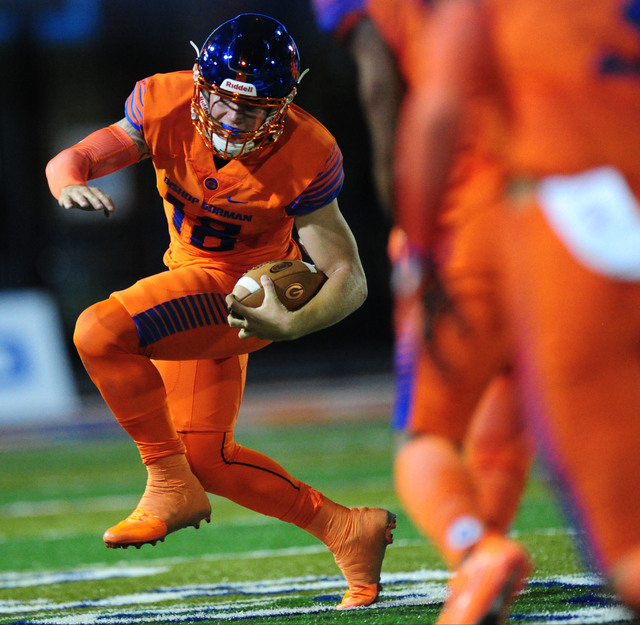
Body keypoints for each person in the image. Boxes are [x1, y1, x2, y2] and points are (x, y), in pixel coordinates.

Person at [45, 13, 396, 611]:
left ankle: (166, 481)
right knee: (210, 457)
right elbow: (76, 157)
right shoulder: (165, 100)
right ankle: (346, 529)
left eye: (256, 108)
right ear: (201, 84)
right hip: (188, 280)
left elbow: (350, 277)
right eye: (225, 102)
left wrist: (291, 324)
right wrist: (66, 183)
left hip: (241, 299)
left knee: (99, 331)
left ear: (284, 102)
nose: (235, 120)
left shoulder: (307, 151)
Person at [396, 0, 640, 621]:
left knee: (430, 435)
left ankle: (474, 549)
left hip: (537, 214)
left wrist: (415, 250)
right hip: (596, 194)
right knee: (505, 438)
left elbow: (434, 109)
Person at [311, 1, 533, 621]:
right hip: (584, 206)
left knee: (424, 434)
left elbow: (389, 89)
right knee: (515, 408)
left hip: (475, 208)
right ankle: (484, 563)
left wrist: (414, 225)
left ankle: (473, 550)